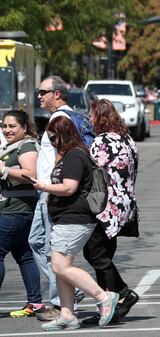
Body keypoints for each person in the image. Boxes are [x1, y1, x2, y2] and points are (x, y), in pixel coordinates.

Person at [29, 116, 119, 330]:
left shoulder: (75, 157)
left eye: (53, 136)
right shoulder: (70, 156)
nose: (51, 141)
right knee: (61, 267)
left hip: (74, 218)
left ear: (64, 134)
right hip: (66, 218)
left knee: (60, 266)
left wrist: (43, 187)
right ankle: (67, 313)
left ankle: (103, 297)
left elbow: (69, 188)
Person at [29, 76, 85, 321]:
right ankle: (68, 290)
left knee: (47, 246)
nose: (39, 96)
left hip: (51, 193)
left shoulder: (59, 119)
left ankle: (62, 298)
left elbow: (63, 155)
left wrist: (52, 188)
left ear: (57, 94)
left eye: (42, 92)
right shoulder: (66, 117)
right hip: (48, 191)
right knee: (40, 243)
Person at [80, 99, 140, 325]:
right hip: (125, 204)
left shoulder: (102, 141)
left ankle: (117, 298)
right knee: (103, 254)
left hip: (105, 205)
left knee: (96, 254)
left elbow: (90, 169)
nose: (90, 119)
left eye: (92, 115)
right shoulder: (128, 139)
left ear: (100, 117)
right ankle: (117, 299)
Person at [0, 110, 43, 318]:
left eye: (12, 126)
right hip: (16, 210)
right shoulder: (10, 147)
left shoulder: (27, 145)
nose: (7, 130)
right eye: (4, 126)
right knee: (24, 256)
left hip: (16, 210)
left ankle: (36, 301)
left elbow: (31, 174)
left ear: (24, 127)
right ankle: (35, 303)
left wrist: (4, 170)